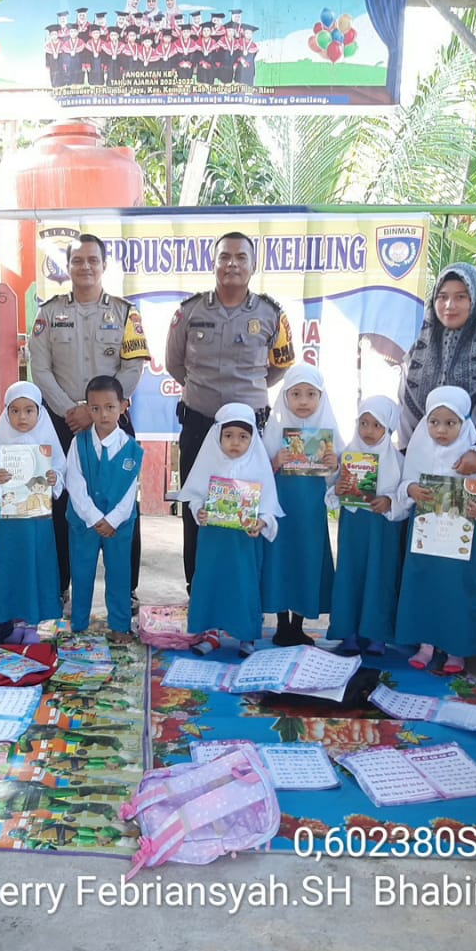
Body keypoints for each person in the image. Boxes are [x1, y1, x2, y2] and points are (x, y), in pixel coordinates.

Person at [399, 263, 476, 655]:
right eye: (442, 297)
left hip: (471, 468)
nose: (449, 305)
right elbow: (407, 407)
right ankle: (425, 638)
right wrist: (408, 460)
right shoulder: (418, 350)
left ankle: (466, 641)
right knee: (427, 559)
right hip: (428, 469)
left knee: (468, 564)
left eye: (461, 296)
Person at [166, 230, 294, 590]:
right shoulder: (189, 311)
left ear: (254, 266)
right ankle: (199, 585)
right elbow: (175, 364)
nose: (232, 264)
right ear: (214, 262)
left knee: (248, 508)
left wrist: (244, 392)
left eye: (240, 257)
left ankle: (245, 587)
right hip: (199, 423)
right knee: (197, 507)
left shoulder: (272, 314)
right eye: (225, 257)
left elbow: (280, 366)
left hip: (249, 427)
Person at [28, 234, 149, 611]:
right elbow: (40, 368)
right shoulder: (48, 313)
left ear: (104, 265)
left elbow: (134, 366)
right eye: (77, 260)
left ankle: (125, 590)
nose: (85, 266)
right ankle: (60, 585)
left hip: (112, 420)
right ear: (69, 266)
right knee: (62, 501)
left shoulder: (127, 313)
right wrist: (72, 410)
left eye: (92, 260)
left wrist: (98, 409)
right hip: (64, 422)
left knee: (124, 503)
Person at [395, 387, 476, 673]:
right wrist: (412, 489)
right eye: (434, 422)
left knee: (457, 591)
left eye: (450, 423)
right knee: (425, 587)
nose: (441, 430)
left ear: (464, 423)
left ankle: (456, 649)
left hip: (462, 542)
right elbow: (402, 485)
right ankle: (426, 645)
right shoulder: (419, 448)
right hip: (425, 538)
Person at [175, 402, 282, 657]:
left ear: (252, 438)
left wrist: (262, 522)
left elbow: (270, 506)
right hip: (213, 541)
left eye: (243, 437)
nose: (235, 442)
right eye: (229, 435)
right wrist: (199, 510)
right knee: (211, 583)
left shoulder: (258, 467)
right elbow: (195, 496)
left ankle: (246, 635)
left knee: (243, 585)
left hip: (243, 543)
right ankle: (211, 633)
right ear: (218, 436)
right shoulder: (209, 461)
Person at [0, 382, 66, 626]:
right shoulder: (2, 436)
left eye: (29, 410)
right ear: (7, 412)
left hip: (38, 517)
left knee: (38, 557)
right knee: (9, 558)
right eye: (14, 410)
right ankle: (5, 612)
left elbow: (60, 467)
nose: (22, 417)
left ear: (39, 411)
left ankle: (36, 613)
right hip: (10, 518)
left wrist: (53, 477)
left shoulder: (47, 435)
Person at [261, 365, 338, 647]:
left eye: (310, 394)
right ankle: (281, 624)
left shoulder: (328, 430)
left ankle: (298, 625)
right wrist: (275, 462)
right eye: (295, 394)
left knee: (307, 559)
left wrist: (335, 464)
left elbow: (342, 479)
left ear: (321, 397)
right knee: (281, 560)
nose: (303, 401)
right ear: (285, 397)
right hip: (282, 510)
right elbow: (258, 473)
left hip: (310, 513)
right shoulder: (275, 430)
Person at [64, 375, 143, 638]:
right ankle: (79, 624)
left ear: (123, 406)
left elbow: (129, 493)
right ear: (88, 409)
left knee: (120, 574)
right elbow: (74, 483)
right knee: (81, 573)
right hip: (83, 523)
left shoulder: (132, 449)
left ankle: (120, 626)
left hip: (119, 526)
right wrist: (94, 517)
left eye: (110, 407)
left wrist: (112, 521)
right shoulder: (79, 442)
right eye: (95, 408)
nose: (103, 414)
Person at [329, 396, 408, 656]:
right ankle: (348, 632)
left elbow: (405, 498)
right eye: (364, 423)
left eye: (377, 425)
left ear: (388, 428)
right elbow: (332, 492)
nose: (369, 431)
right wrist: (339, 489)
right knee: (350, 575)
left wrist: (389, 502)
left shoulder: (398, 461)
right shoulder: (348, 455)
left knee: (380, 577)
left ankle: (376, 635)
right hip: (354, 528)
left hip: (382, 530)